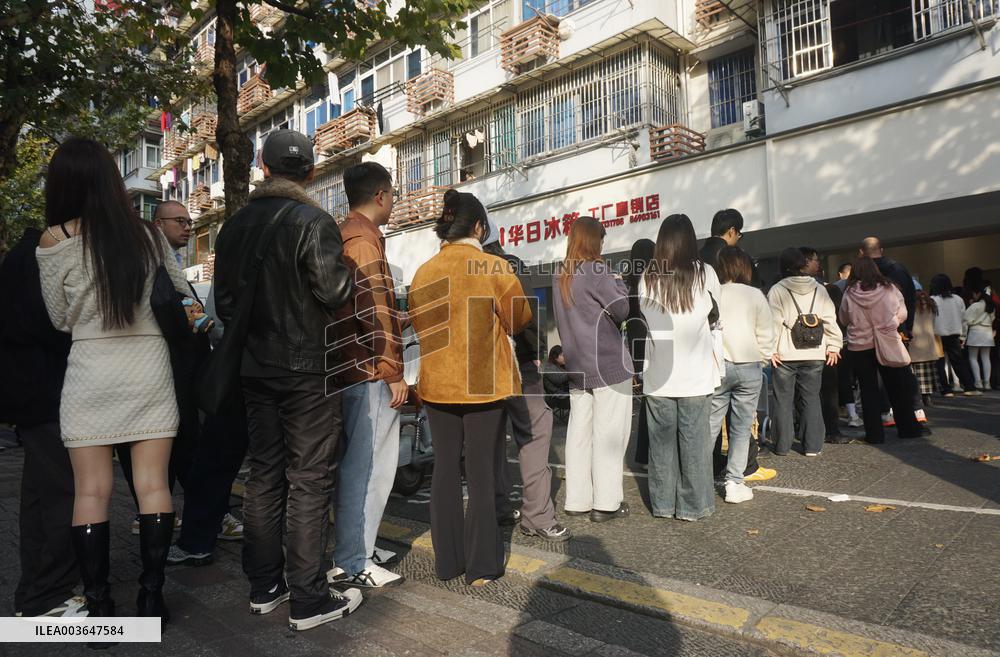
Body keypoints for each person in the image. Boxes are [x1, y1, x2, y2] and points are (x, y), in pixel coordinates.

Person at [35, 137, 194, 625]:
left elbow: (61, 319)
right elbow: (182, 294)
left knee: (91, 492)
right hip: (148, 366)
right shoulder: (147, 235)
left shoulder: (54, 239)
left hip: (90, 371)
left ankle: (100, 604)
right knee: (152, 486)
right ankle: (151, 598)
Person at [212, 129, 360, 630]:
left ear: (263, 168)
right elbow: (335, 290)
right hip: (308, 369)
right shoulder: (314, 221)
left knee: (264, 474)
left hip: (256, 368)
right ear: (311, 173)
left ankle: (263, 586)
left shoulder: (232, 229)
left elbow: (226, 304)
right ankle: (309, 598)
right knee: (310, 478)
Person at [408, 189, 531, 586]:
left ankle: (448, 563)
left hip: (437, 381)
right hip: (482, 381)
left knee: (444, 469)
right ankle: (481, 567)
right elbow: (519, 320)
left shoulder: (424, 271)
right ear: (479, 227)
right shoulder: (491, 267)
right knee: (480, 472)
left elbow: (421, 327)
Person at [325, 162, 407, 589]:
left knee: (361, 463)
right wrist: (393, 370)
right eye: (392, 194)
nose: (394, 202)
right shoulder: (363, 242)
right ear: (381, 196)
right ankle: (353, 560)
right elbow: (372, 311)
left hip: (352, 365)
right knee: (370, 465)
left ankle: (359, 547)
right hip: (371, 368)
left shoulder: (348, 235)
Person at [1, 228, 79, 618]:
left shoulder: (26, 253)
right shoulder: (40, 256)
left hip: (33, 394)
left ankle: (36, 594)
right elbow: (51, 325)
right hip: (45, 393)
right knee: (62, 492)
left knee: (40, 493)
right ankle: (47, 595)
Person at [482, 229, 570, 542]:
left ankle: (499, 507)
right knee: (534, 433)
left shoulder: (466, 267)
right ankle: (537, 516)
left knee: (490, 441)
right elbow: (528, 314)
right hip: (518, 365)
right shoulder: (510, 265)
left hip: (481, 371)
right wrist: (535, 354)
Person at [639, 214, 720, 520]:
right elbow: (713, 314)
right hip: (696, 375)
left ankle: (662, 504)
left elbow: (648, 320)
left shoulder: (648, 275)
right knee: (695, 445)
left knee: (661, 448)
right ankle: (692, 506)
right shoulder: (704, 273)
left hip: (659, 373)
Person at [552, 217, 633, 522]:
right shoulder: (598, 270)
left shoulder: (560, 274)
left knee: (579, 435)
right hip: (609, 364)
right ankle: (607, 503)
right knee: (610, 434)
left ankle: (577, 499)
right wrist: (617, 279)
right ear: (593, 240)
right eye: (602, 237)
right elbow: (622, 309)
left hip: (578, 366)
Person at [708, 247, 774, 504]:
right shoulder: (755, 295)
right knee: (741, 427)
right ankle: (734, 483)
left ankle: (698, 478)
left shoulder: (714, 293)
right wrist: (764, 357)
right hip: (749, 365)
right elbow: (766, 333)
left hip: (719, 366)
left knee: (710, 426)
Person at [767, 248, 842, 457]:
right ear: (802, 265)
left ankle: (782, 445)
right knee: (811, 398)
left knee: (783, 399)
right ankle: (812, 446)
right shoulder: (819, 289)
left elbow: (773, 323)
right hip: (815, 352)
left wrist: (769, 350)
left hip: (784, 355)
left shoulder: (777, 290)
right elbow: (829, 318)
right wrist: (834, 346)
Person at [839, 257, 923, 443]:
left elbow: (844, 319)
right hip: (887, 341)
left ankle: (874, 434)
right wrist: (890, 324)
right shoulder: (888, 288)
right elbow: (903, 313)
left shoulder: (850, 293)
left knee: (868, 391)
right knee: (897, 387)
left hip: (860, 347)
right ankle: (909, 428)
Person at [622, 238, 655, 467]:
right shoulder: (654, 281)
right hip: (652, 343)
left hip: (634, 345)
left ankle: (642, 454)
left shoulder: (627, 283)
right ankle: (649, 453)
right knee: (654, 402)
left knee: (645, 402)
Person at [929, 274, 978, 396]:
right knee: (959, 362)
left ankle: (946, 389)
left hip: (937, 335)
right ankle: (969, 387)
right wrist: (963, 336)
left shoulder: (932, 300)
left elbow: (929, 320)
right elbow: (964, 319)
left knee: (939, 363)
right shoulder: (958, 299)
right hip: (954, 334)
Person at [909, 291, 941, 406]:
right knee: (928, 373)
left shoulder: (911, 307)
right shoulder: (931, 306)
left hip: (915, 343)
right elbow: (934, 323)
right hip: (928, 343)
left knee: (916, 374)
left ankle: (918, 398)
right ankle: (927, 397)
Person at [963, 284, 996, 391]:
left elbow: (966, 319)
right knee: (986, 358)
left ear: (978, 294)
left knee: (973, 357)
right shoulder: (991, 306)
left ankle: (978, 382)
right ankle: (987, 382)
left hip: (975, 332)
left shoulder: (976, 305)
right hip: (988, 332)